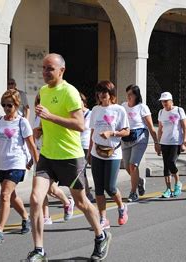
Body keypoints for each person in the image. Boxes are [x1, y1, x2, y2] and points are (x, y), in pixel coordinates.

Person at [27, 53, 111, 262]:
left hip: (70, 157)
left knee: (81, 202)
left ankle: (101, 235)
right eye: (44, 68)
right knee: (36, 199)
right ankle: (39, 251)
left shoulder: (70, 92)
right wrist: (40, 128)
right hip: (48, 154)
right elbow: (49, 122)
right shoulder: (44, 91)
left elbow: (80, 125)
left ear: (61, 70)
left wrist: (50, 117)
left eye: (50, 69)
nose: (45, 72)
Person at [0, 89, 39, 243]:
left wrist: (38, 164)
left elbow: (31, 145)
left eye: (9, 105)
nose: (6, 108)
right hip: (2, 164)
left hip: (17, 163)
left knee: (4, 195)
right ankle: (26, 217)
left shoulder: (22, 122)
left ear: (16, 105)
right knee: (11, 196)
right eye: (4, 105)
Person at [88, 80, 130, 230]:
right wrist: (89, 151)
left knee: (110, 187)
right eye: (99, 92)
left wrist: (112, 133)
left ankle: (121, 207)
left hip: (113, 153)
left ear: (111, 94)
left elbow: (126, 131)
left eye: (104, 92)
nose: (101, 95)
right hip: (97, 152)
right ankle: (103, 219)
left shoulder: (119, 110)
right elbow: (92, 131)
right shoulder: (95, 110)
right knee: (98, 188)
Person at [32, 93, 75, 225]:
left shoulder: (50, 116)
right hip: (39, 154)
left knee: (51, 189)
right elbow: (34, 138)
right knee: (40, 189)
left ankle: (67, 202)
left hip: (50, 154)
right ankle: (46, 216)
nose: (39, 105)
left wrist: (41, 131)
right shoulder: (36, 118)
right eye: (38, 102)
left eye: (42, 102)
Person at [121, 84, 160, 202]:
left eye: (131, 95)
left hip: (140, 138)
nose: (128, 97)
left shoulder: (142, 107)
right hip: (126, 137)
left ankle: (133, 193)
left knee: (133, 165)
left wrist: (156, 143)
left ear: (136, 95)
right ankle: (139, 181)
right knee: (127, 167)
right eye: (127, 94)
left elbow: (150, 127)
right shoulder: (123, 106)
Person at [157, 92, 186, 198]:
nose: (164, 103)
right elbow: (160, 129)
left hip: (176, 142)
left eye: (166, 101)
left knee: (171, 162)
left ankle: (178, 183)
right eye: (162, 101)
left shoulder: (179, 110)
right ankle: (168, 189)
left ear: (171, 100)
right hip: (164, 142)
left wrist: (184, 142)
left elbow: (184, 126)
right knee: (166, 166)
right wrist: (158, 143)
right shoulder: (161, 112)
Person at [79, 92, 94, 202]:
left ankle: (90, 193)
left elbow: (83, 127)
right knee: (81, 171)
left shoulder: (90, 114)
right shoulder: (75, 114)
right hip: (76, 145)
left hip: (87, 145)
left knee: (84, 170)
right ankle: (87, 194)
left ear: (83, 102)